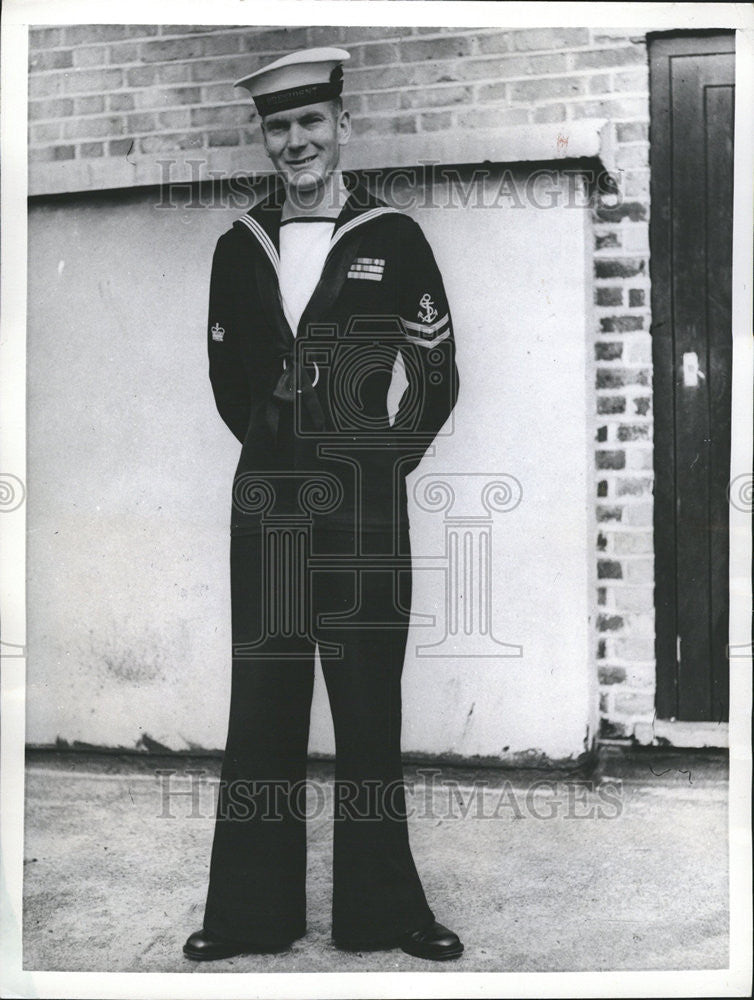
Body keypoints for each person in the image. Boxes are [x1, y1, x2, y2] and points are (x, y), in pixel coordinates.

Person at [183, 46, 462, 963]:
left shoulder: (394, 237)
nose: (295, 140)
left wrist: (379, 464)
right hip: (268, 511)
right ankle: (248, 918)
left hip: (365, 517)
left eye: (310, 122)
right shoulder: (238, 246)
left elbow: (434, 376)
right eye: (278, 125)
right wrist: (280, 458)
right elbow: (230, 384)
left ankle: (384, 914)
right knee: (263, 703)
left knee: (367, 706)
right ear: (263, 137)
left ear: (342, 124)